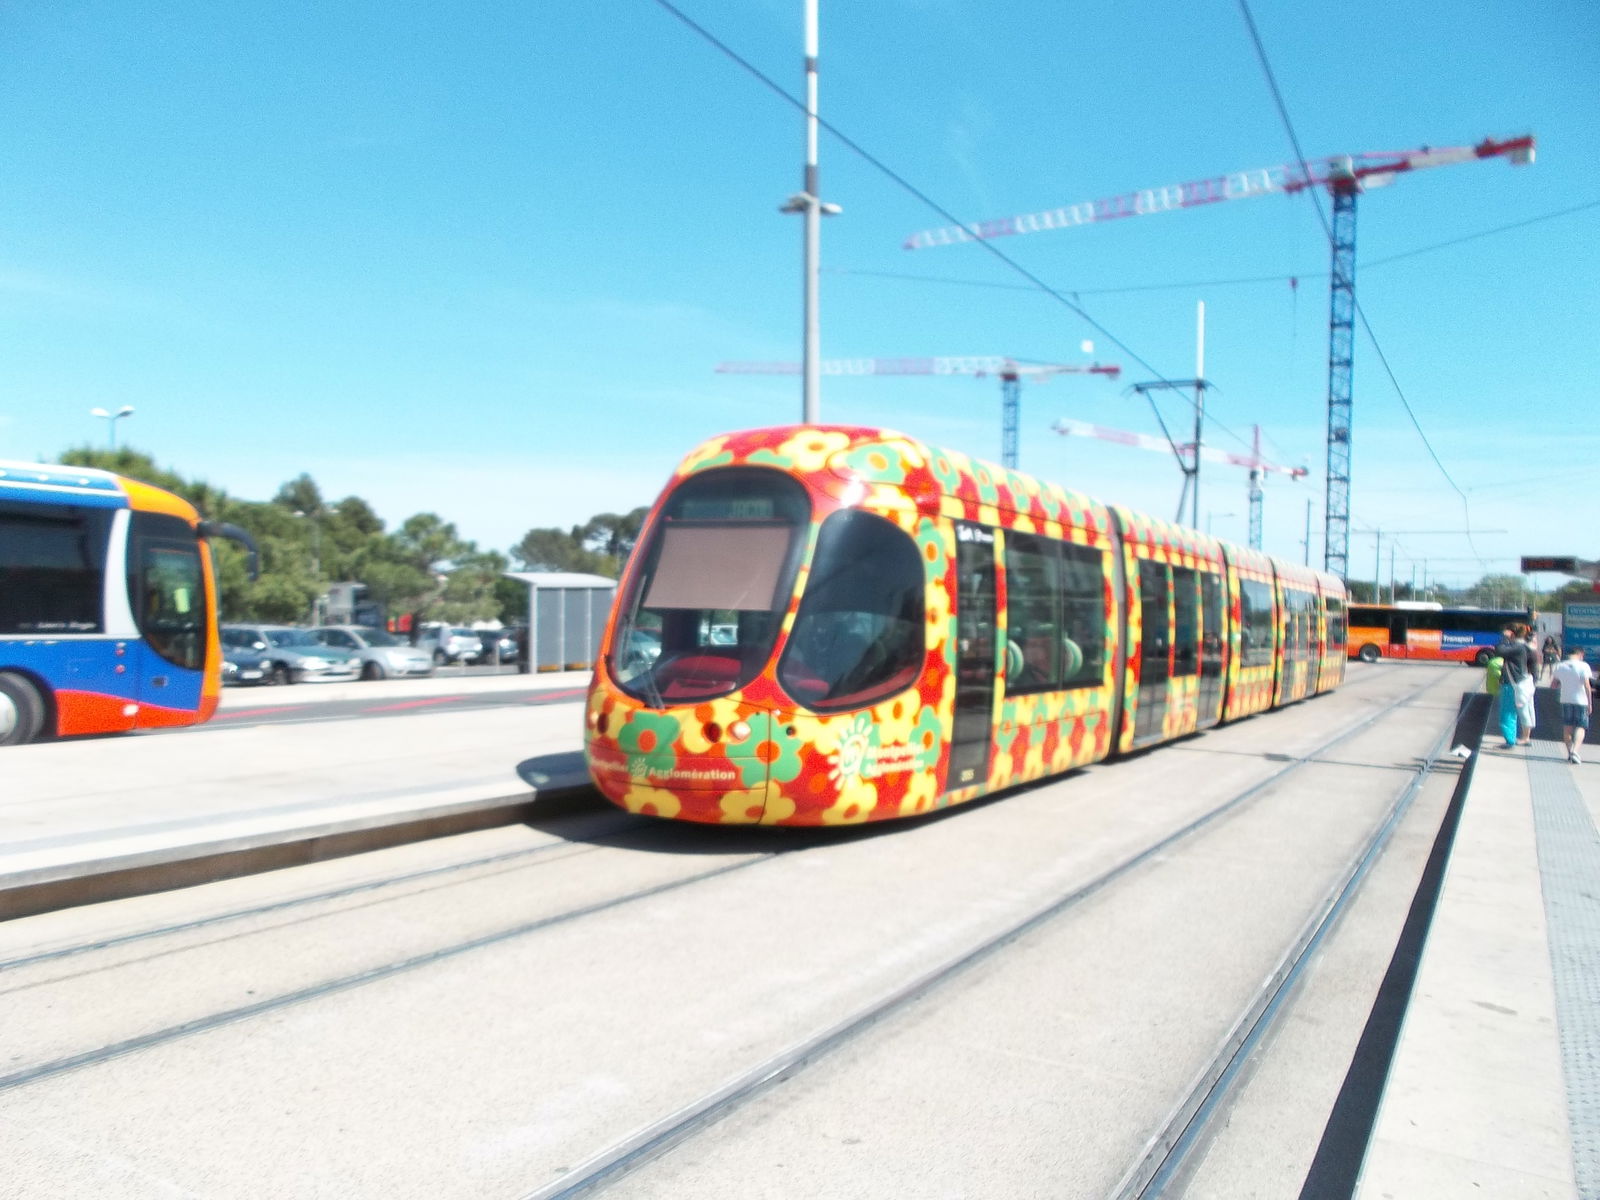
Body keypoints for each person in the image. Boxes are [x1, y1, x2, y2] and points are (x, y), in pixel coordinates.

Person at [1493, 625, 1538, 748]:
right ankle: (1522, 738)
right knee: (1524, 710)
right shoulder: (1526, 646)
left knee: (1507, 712)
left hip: (1512, 683)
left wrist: (1504, 638)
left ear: (1512, 634)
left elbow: (1499, 651)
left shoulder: (1517, 647)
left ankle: (1510, 740)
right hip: (1522, 682)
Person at [1551, 646, 1594, 765]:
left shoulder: (1559, 666)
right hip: (1581, 701)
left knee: (1567, 727)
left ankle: (1570, 752)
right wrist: (1590, 703)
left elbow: (1553, 685)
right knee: (1581, 726)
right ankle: (1575, 751)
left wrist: (1565, 684)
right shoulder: (1583, 666)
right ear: (1580, 654)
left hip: (1565, 699)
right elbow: (1587, 686)